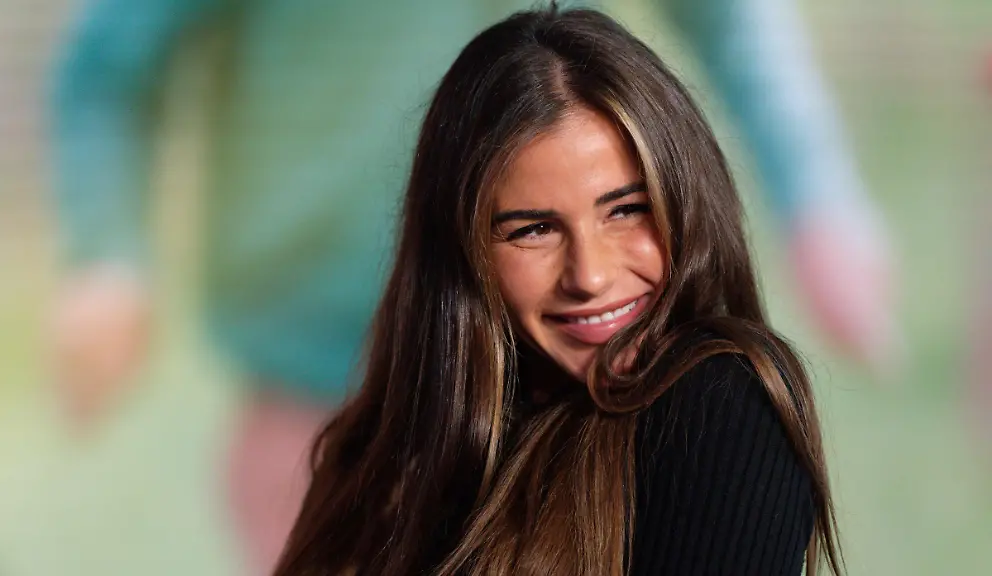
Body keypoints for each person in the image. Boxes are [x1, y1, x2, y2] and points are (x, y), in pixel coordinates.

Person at [272, 7, 842, 576]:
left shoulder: (718, 405)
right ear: (463, 249)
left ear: (685, 203)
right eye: (535, 229)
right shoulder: (375, 459)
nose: (588, 276)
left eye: (626, 210)